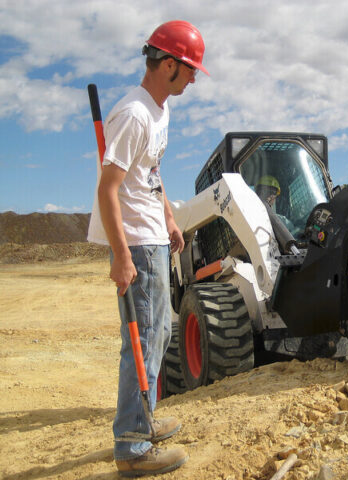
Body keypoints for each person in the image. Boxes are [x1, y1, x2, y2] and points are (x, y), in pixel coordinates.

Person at [87, 20, 209, 477]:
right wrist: (120, 256)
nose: (194, 79)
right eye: (191, 70)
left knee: (158, 334)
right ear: (170, 65)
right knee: (140, 339)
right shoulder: (134, 114)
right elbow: (109, 188)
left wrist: (171, 217)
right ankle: (132, 446)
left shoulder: (161, 112)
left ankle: (146, 419)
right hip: (135, 243)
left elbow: (150, 175)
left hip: (154, 234)